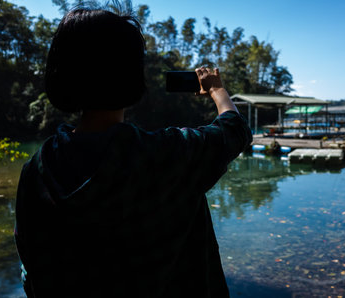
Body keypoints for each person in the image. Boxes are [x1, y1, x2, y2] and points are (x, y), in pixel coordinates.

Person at [14, 8, 252, 298]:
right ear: (130, 74)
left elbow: (32, 269)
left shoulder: (36, 172)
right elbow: (234, 129)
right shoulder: (167, 156)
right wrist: (217, 91)